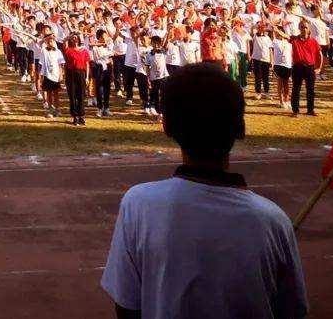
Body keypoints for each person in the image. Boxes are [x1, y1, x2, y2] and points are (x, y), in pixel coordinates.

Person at [101, 63, 308, 318]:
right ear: (241, 128)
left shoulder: (139, 204)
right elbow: (292, 310)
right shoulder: (273, 220)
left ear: (166, 127)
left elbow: (127, 306)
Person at [289, 20, 322, 117]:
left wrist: (319, 67)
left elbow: (320, 54)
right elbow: (284, 35)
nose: (304, 29)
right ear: (299, 28)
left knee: (310, 89)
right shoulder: (294, 39)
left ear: (309, 29)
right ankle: (295, 111)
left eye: (306, 27)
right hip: (297, 67)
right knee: (296, 89)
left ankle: (310, 110)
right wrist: (275, 29)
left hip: (309, 68)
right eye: (302, 27)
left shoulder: (313, 41)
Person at [63, 34, 90, 125]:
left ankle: (81, 116)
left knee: (81, 95)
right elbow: (64, 41)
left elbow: (87, 64)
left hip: (81, 73)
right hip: (70, 73)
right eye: (73, 38)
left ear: (79, 39)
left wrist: (87, 77)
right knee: (72, 95)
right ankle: (74, 116)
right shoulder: (68, 50)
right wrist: (69, 35)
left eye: (76, 37)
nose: (74, 39)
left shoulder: (84, 50)